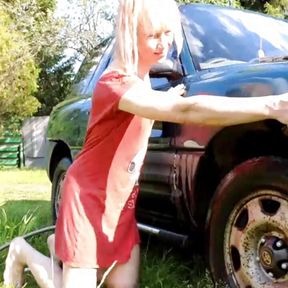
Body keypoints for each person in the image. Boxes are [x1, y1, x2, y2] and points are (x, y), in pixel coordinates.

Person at [3, 0, 288, 287]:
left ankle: (60, 250)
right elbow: (185, 111)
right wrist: (273, 106)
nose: (163, 44)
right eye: (152, 35)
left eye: (167, 34)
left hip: (122, 204)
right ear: (128, 33)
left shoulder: (143, 81)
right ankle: (22, 250)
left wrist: (168, 97)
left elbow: (159, 106)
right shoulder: (115, 83)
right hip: (88, 198)